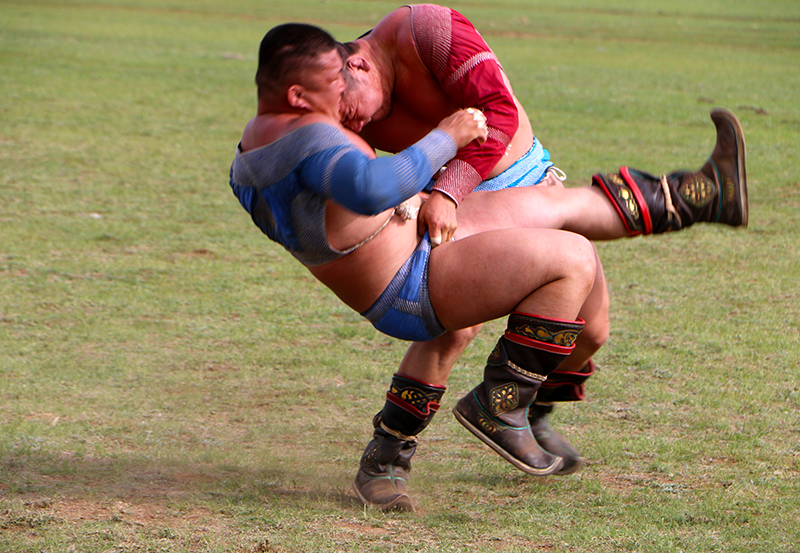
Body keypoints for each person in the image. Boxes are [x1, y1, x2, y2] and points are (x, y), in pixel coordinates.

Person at [336, 3, 748, 474]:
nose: (361, 126)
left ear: (359, 64)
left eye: (355, 113)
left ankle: (528, 412)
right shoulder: (339, 99)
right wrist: (434, 194)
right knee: (455, 328)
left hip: (502, 182)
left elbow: (500, 113)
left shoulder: (427, 30)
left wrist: (447, 192)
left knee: (590, 332)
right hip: (465, 198)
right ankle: (387, 455)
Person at [230, 23, 606, 512]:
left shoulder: (251, 148)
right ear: (299, 95)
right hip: (412, 281)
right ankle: (503, 403)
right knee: (572, 258)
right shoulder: (311, 137)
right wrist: (445, 137)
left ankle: (384, 460)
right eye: (335, 83)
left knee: (468, 318)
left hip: (405, 262)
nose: (345, 89)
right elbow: (369, 188)